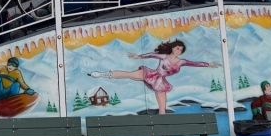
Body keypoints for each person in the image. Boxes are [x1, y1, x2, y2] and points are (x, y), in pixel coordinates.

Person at [90, 40, 218, 115]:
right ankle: (102, 74)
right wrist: (138, 56)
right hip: (151, 74)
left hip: (161, 82)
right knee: (129, 74)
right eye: (177, 48)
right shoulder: (164, 57)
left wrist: (209, 64)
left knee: (162, 108)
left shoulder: (181, 62)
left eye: (181, 50)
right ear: (173, 48)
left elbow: (194, 63)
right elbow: (151, 55)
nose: (179, 51)